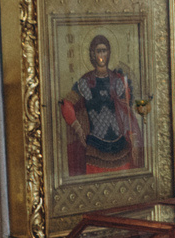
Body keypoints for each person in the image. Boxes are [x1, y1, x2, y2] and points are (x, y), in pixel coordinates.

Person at [61, 34, 143, 177]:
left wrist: (133, 139)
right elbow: (66, 105)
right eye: (98, 51)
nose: (101, 55)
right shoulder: (85, 81)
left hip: (120, 146)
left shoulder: (117, 81)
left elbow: (126, 114)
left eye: (104, 51)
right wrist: (78, 128)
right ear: (93, 54)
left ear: (109, 53)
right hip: (95, 147)